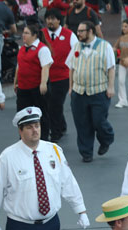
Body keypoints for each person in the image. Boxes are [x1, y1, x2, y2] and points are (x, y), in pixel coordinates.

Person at [66, 21, 116, 163]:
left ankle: (106, 139)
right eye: (78, 31)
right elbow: (71, 68)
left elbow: (111, 68)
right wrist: (71, 87)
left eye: (81, 31)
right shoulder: (76, 46)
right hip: (79, 91)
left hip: (99, 91)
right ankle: (86, 152)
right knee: (82, 123)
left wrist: (111, 87)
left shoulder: (104, 46)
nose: (79, 34)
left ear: (91, 31)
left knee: (99, 121)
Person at [42, 9, 77, 142]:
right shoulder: (42, 34)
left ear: (59, 20)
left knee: (55, 104)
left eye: (53, 18)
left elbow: (76, 53)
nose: (50, 21)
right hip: (45, 76)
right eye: (48, 18)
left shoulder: (69, 35)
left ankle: (55, 132)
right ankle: (61, 125)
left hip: (62, 76)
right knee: (49, 103)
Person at [14, 24, 53, 142]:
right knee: (23, 114)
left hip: (36, 87)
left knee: (42, 114)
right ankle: (23, 139)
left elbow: (46, 66)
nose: (23, 35)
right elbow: (19, 66)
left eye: (26, 33)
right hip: (24, 88)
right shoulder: (22, 48)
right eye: (23, 33)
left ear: (34, 35)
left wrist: (43, 83)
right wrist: (16, 82)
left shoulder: (42, 49)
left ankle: (44, 138)